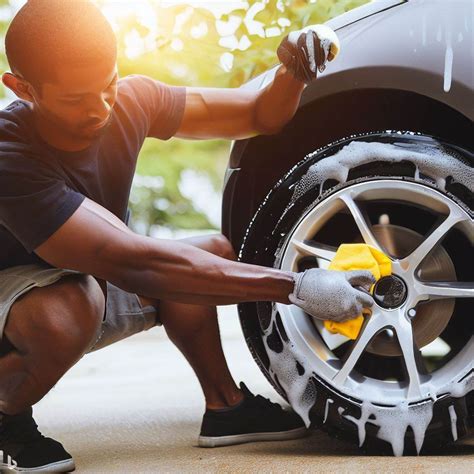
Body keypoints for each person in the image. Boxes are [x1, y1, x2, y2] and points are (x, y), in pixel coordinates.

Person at [0, 1, 374, 471]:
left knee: (209, 254)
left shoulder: (133, 101)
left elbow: (259, 114)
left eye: (108, 86)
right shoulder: (9, 154)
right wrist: (297, 288)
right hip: (25, 296)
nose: (100, 109)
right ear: (21, 87)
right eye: (75, 99)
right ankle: (6, 416)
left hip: (80, 278)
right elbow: (130, 262)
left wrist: (294, 72)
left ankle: (226, 407)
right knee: (76, 304)